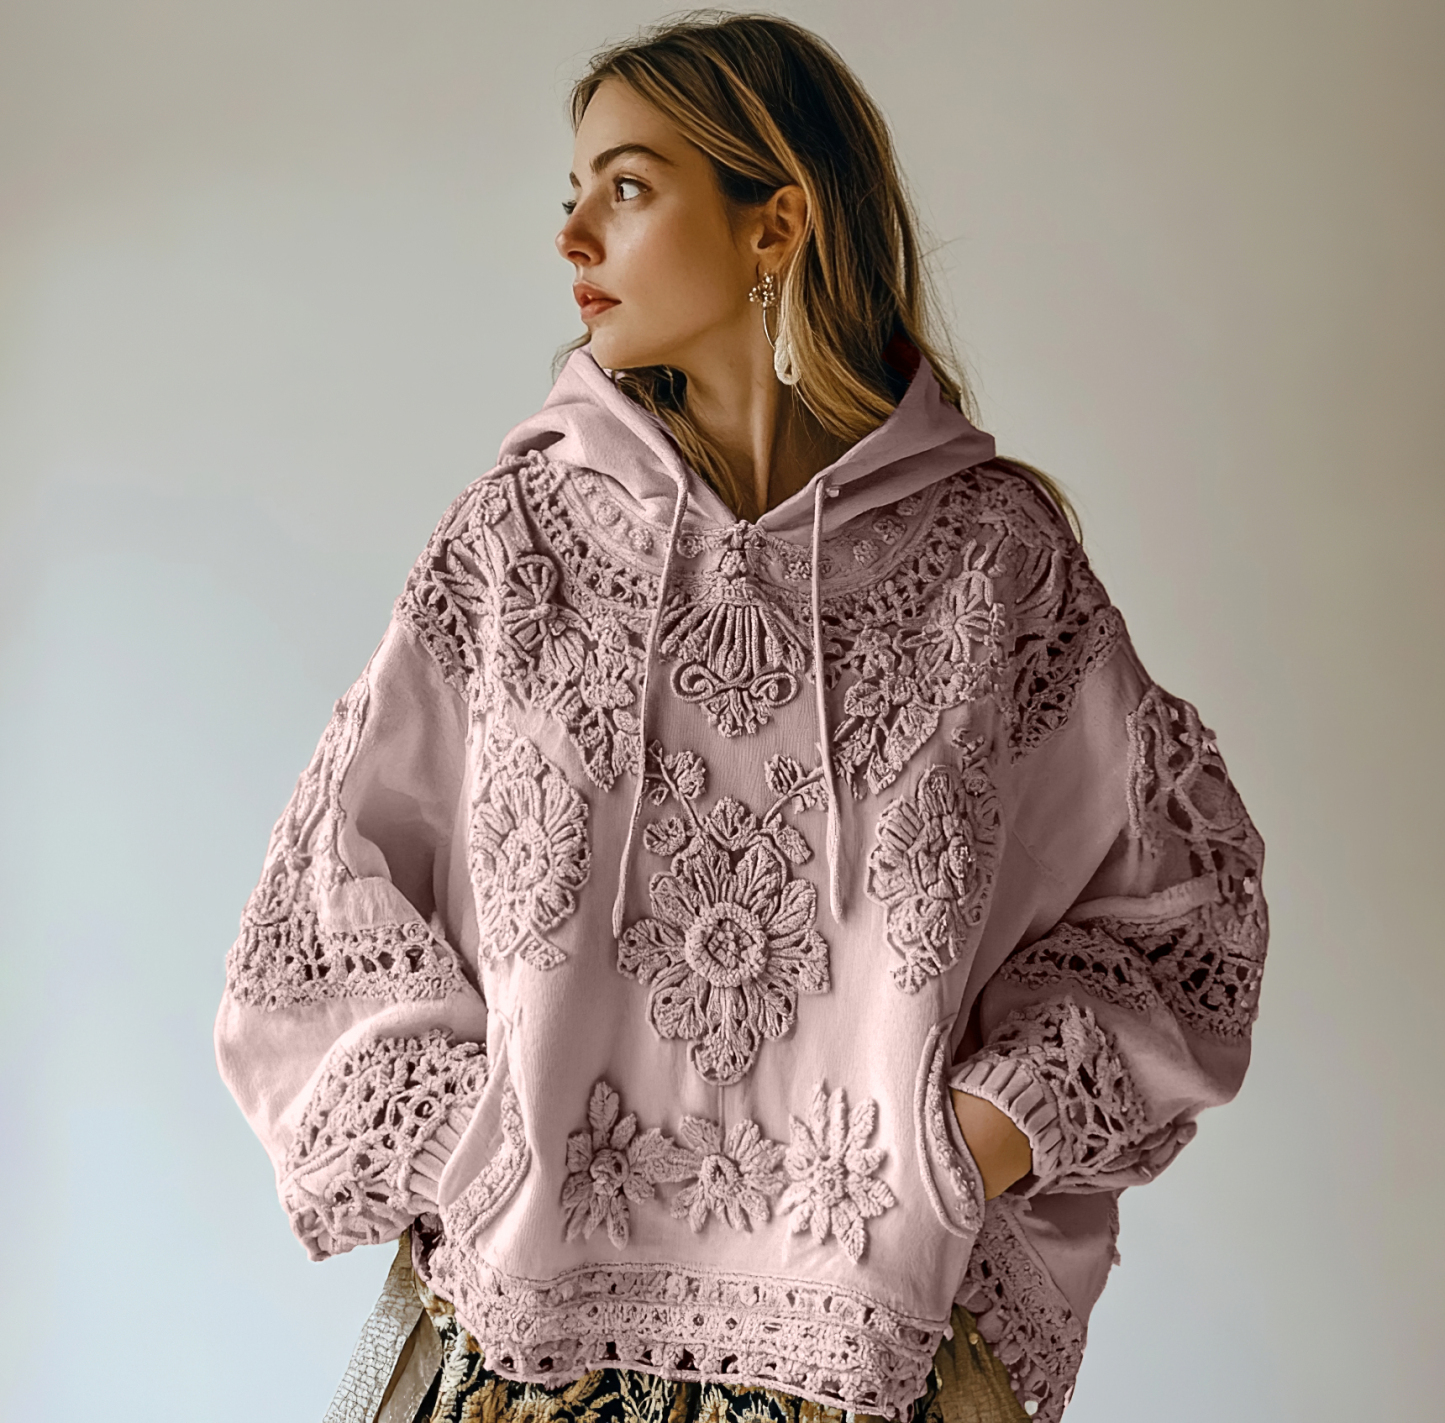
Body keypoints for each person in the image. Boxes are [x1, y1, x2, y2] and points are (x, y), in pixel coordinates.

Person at [214, 13, 1268, 1423]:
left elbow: (1181, 919)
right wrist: (488, 1154)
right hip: (524, 1364)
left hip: (871, 1363)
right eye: (575, 192)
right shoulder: (515, 545)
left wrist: (972, 1142)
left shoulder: (991, 563)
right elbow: (314, 922)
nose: (572, 236)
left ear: (775, 223)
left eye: (627, 188)